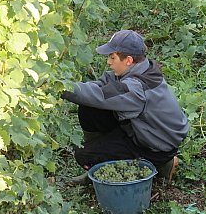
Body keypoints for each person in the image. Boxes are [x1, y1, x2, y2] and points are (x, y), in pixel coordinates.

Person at [61, 30, 189, 184]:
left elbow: (100, 95)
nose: (108, 62)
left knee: (84, 155)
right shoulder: (142, 67)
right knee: (89, 108)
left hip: (154, 147)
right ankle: (102, 153)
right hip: (144, 130)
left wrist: (59, 86)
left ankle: (160, 165)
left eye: (112, 57)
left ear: (128, 60)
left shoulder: (135, 89)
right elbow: (101, 87)